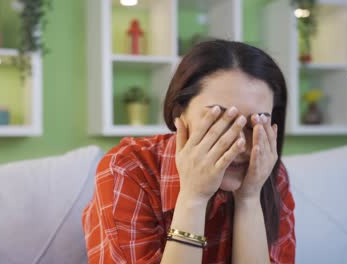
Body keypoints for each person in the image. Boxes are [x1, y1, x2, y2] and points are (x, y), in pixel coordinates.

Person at [82, 40, 295, 264]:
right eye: (221, 121)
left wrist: (249, 199)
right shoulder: (127, 170)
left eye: (255, 125)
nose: (240, 144)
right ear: (179, 112)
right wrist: (193, 197)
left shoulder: (272, 175)